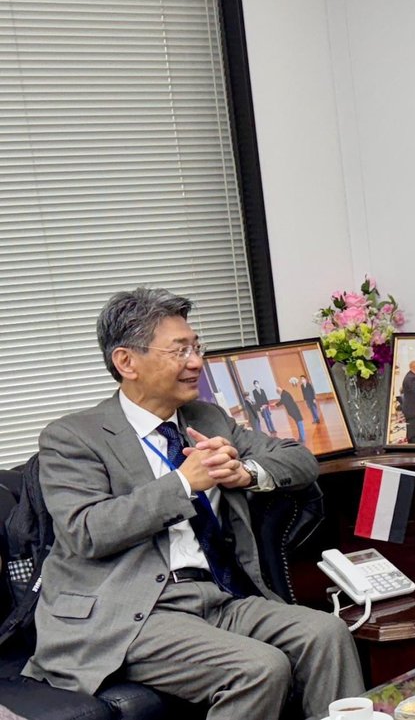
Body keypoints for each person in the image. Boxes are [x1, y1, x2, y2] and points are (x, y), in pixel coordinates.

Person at [23, 288, 361, 718]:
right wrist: (184, 482)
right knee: (260, 668)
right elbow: (86, 531)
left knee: (327, 632)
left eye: (196, 347)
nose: (197, 362)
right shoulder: (74, 436)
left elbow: (298, 459)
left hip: (218, 595)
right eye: (180, 350)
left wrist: (245, 472)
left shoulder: (208, 419)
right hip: (131, 612)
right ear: (126, 362)